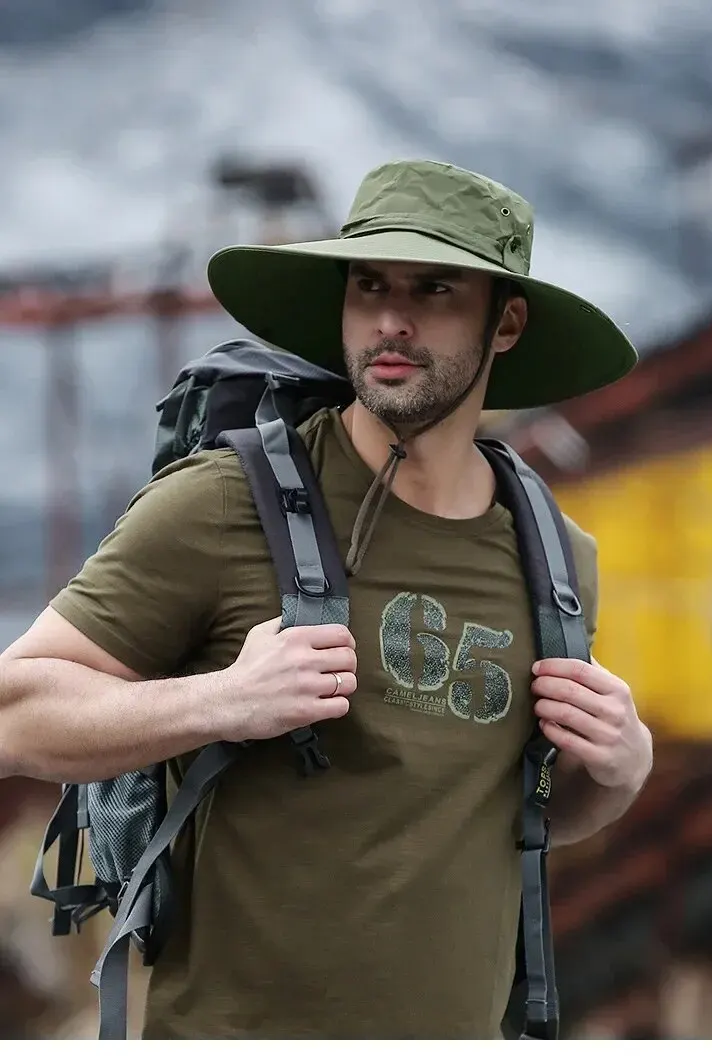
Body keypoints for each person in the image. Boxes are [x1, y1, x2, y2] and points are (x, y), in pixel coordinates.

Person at [0, 158, 653, 1040]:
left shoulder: (557, 559)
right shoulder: (224, 502)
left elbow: (521, 816)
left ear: (506, 323)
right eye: (369, 285)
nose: (390, 320)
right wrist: (223, 700)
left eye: (434, 290)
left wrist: (618, 773)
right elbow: (13, 715)